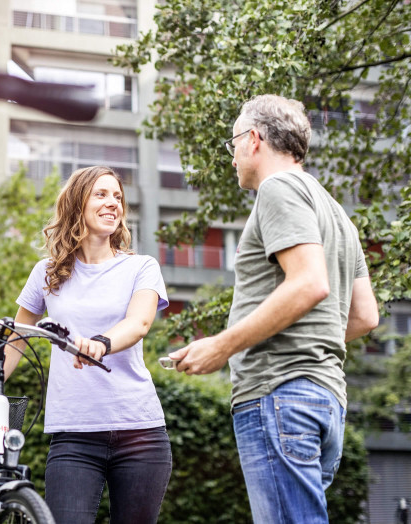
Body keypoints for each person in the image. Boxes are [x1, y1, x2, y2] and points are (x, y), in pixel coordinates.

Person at [169, 94, 380, 523]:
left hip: (279, 393)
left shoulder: (278, 188)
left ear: (254, 139)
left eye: (233, 146)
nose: (232, 159)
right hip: (324, 400)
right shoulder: (337, 213)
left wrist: (223, 346)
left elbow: (309, 283)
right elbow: (363, 317)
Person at [0, 166, 172, 524]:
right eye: (101, 195)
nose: (113, 203)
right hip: (74, 436)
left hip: (140, 433)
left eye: (117, 196)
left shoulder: (141, 267)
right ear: (77, 204)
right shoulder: (46, 272)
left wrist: (101, 343)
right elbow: (17, 338)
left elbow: (139, 323)